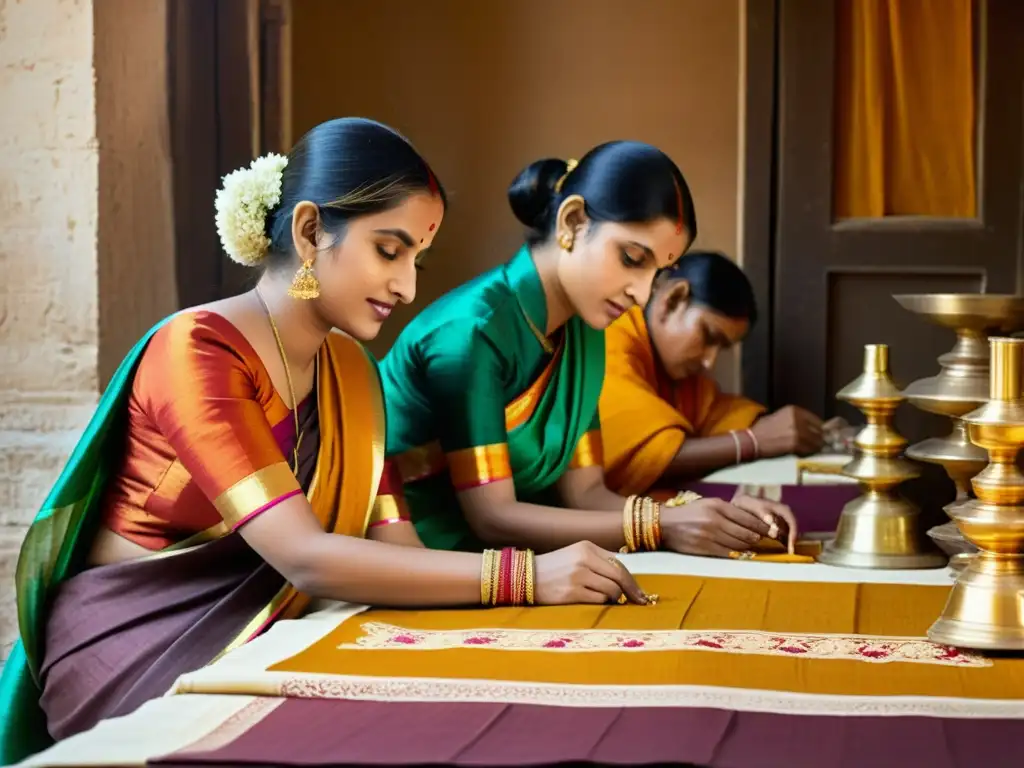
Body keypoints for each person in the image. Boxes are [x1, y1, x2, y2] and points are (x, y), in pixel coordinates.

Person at [0, 119, 647, 764]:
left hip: (274, 628)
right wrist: (525, 575)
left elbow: (400, 548)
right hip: (137, 644)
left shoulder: (349, 373)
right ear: (311, 232)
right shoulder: (198, 353)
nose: (407, 286)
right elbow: (305, 557)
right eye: (389, 251)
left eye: (417, 259)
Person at [380, 142, 799, 563]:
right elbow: (493, 516)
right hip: (422, 559)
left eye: (655, 273)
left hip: (518, 559)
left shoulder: (582, 331)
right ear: (574, 221)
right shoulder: (473, 332)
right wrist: (663, 525)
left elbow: (586, 493)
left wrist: (700, 514)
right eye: (632, 259)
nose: (640, 295)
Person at [600, 250, 827, 496]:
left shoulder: (678, 372)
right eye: (708, 336)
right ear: (673, 300)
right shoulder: (610, 340)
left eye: (723, 348)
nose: (710, 361)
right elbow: (644, 454)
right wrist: (754, 442)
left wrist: (806, 431)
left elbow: (717, 416)